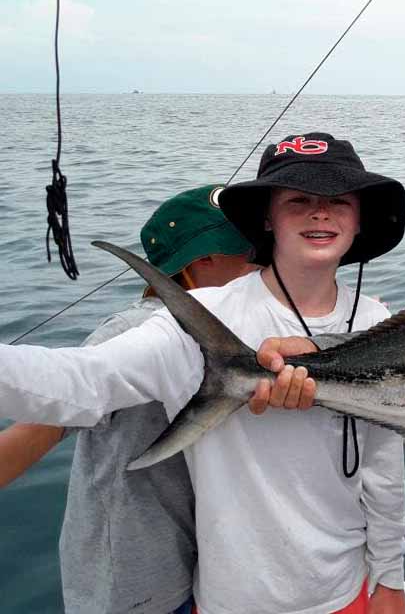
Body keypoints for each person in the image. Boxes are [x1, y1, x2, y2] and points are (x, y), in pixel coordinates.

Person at [0, 133, 405, 614]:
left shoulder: (380, 324)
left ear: (359, 219)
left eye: (338, 200)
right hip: (232, 601)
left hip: (347, 590)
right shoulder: (191, 319)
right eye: (298, 199)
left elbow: (383, 468)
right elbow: (84, 383)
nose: (320, 212)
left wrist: (389, 578)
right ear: (266, 219)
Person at [0, 183, 256, 614]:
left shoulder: (252, 328)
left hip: (207, 572)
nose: (267, 264)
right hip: (136, 587)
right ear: (202, 262)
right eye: (253, 253)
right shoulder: (133, 334)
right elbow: (48, 421)